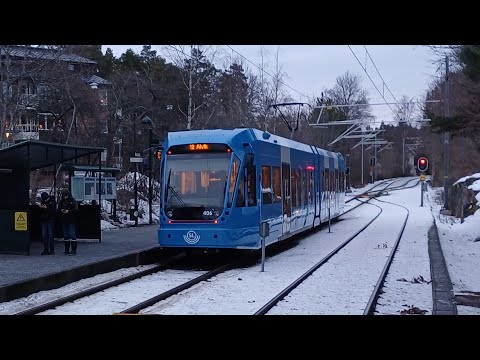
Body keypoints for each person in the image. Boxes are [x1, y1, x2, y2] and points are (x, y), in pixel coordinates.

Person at [58, 188, 78, 255]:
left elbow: (76, 210)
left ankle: (73, 250)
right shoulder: (62, 201)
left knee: (71, 234)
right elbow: (59, 209)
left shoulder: (72, 200)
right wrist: (61, 210)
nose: (64, 196)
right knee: (66, 235)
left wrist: (68, 211)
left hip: (71, 219)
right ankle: (67, 250)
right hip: (64, 219)